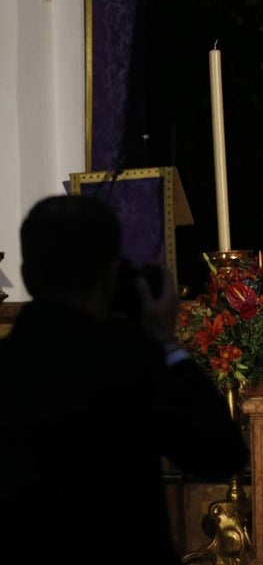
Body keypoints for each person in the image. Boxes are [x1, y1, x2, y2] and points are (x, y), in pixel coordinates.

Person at [0, 194, 250, 563]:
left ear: (26, 275)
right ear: (110, 273)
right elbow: (219, 454)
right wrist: (165, 341)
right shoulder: (132, 360)